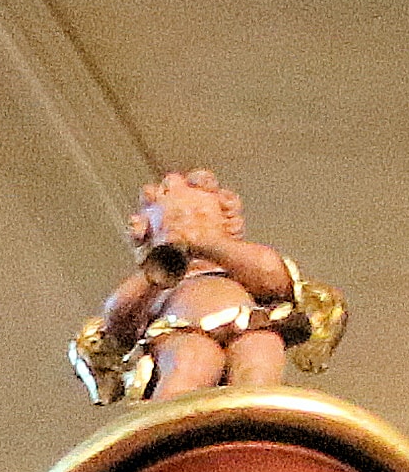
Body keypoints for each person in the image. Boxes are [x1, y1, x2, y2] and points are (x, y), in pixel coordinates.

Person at [80, 170, 323, 399]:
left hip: (248, 322)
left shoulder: (235, 265)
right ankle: (168, 434)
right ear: (147, 235)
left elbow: (274, 279)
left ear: (228, 225)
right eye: (173, 220)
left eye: (201, 217)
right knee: (193, 363)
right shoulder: (160, 282)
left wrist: (209, 244)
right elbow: (117, 318)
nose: (188, 226)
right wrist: (152, 277)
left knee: (261, 355)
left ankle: (256, 430)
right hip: (184, 330)